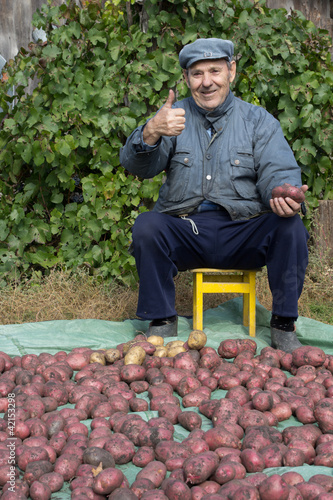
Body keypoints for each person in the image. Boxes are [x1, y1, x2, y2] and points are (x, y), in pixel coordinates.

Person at [119, 38, 309, 353]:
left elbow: (278, 169)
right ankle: (162, 319)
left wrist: (280, 192)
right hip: (186, 230)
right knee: (147, 226)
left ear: (231, 71)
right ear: (185, 78)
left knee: (289, 228)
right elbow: (138, 166)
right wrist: (152, 130)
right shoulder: (173, 117)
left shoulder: (258, 121)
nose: (207, 82)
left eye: (215, 71)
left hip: (244, 231)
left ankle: (283, 325)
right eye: (197, 73)